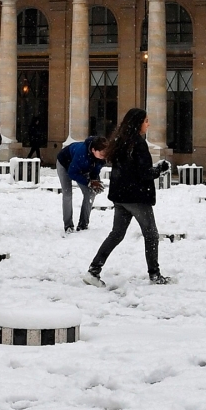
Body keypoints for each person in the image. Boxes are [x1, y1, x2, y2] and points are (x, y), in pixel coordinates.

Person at [84, 108, 174, 287]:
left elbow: (127, 169)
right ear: (137, 123)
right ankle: (155, 275)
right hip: (136, 196)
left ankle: (93, 270)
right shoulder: (138, 144)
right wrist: (160, 169)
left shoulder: (120, 141)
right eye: (146, 121)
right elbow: (143, 173)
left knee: (116, 234)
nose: (148, 124)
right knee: (151, 235)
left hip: (120, 196)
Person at [57, 134, 107, 233]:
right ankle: (68, 226)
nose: (103, 156)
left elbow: (95, 170)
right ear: (93, 150)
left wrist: (94, 180)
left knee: (90, 193)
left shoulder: (101, 157)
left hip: (81, 168)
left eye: (105, 154)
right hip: (64, 164)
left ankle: (83, 225)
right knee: (67, 194)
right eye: (101, 154)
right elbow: (72, 173)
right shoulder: (82, 153)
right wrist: (88, 182)